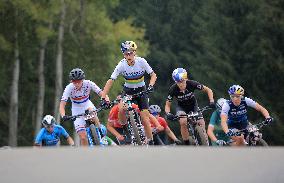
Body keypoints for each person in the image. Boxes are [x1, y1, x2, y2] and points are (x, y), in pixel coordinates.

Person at [101, 41, 157, 145]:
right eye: (126, 53)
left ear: (135, 53)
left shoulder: (142, 61)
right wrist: (103, 97)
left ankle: (151, 141)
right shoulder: (121, 65)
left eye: (131, 53)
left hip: (142, 90)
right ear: (123, 54)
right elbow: (110, 81)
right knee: (121, 109)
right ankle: (126, 129)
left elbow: (153, 75)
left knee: (145, 118)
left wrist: (151, 86)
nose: (129, 55)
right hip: (128, 91)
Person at [165, 68, 215, 145]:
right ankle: (187, 143)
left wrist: (211, 101)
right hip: (181, 108)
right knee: (183, 122)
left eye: (182, 81)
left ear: (186, 79)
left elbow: (208, 90)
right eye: (178, 82)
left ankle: (205, 143)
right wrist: (168, 114)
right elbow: (167, 105)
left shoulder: (192, 84)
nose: (181, 84)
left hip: (193, 106)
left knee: (201, 123)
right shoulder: (173, 89)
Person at [59, 68, 106, 146]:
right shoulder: (69, 88)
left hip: (87, 105)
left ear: (83, 80)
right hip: (76, 109)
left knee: (91, 111)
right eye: (74, 82)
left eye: (79, 81)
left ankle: (101, 133)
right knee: (83, 137)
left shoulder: (88, 83)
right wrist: (63, 115)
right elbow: (62, 104)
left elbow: (102, 93)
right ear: (71, 81)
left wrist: (106, 100)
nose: (77, 84)